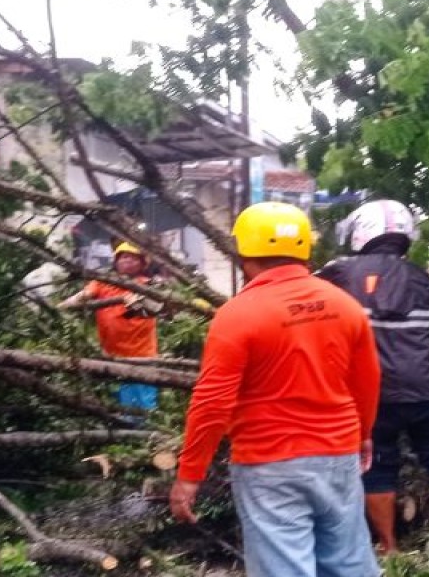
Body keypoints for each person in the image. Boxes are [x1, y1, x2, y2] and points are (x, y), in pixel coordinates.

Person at [169, 202, 382, 577]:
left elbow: (212, 402)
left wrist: (190, 475)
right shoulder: (345, 306)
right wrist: (363, 434)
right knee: (348, 564)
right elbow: (367, 380)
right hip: (338, 454)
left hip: (268, 462)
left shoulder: (238, 315)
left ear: (244, 251)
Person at [318, 199, 429, 554]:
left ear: (360, 232)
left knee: (377, 469)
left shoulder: (339, 274)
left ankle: (389, 549)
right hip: (428, 389)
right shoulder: (424, 279)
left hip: (374, 395)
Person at [58, 242, 161, 412]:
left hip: (142, 357)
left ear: (142, 263)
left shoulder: (149, 285)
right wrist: (59, 307)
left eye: (133, 258)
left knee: (142, 405)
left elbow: (155, 308)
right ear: (116, 261)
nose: (128, 260)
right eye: (124, 257)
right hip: (110, 356)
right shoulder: (103, 283)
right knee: (115, 403)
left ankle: (142, 426)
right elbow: (82, 296)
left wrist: (136, 301)